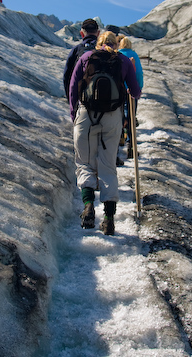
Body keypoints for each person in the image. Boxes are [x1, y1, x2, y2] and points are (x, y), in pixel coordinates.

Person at [69, 31, 141, 235]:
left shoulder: (86, 57)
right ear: (115, 44)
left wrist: (74, 112)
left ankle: (88, 206)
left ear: (98, 43)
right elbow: (135, 92)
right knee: (108, 164)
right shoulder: (124, 60)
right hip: (112, 117)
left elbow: (73, 87)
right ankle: (108, 219)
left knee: (84, 162)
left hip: (86, 114)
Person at [117, 35, 144, 159]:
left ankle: (120, 138)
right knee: (131, 116)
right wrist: (138, 88)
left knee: (119, 116)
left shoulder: (117, 55)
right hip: (132, 91)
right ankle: (131, 146)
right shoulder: (135, 55)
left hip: (119, 91)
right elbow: (138, 73)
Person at [62, 18, 99, 98]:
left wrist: (71, 100)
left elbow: (67, 76)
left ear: (82, 34)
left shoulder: (76, 50)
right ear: (98, 33)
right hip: (103, 102)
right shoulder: (104, 50)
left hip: (81, 100)